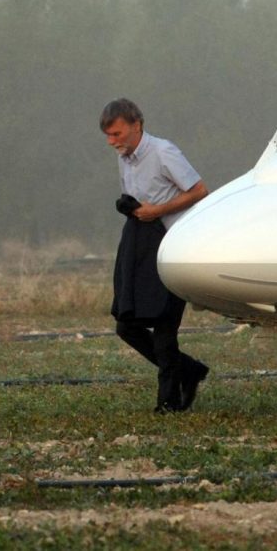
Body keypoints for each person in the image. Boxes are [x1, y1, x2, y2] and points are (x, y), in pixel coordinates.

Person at [100, 99, 210, 414]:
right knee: (126, 325)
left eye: (117, 133)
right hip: (142, 246)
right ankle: (189, 370)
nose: (112, 141)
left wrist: (157, 211)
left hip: (174, 245)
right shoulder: (125, 157)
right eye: (108, 136)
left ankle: (168, 403)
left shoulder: (163, 152)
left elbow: (200, 190)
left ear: (137, 124)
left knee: (164, 328)